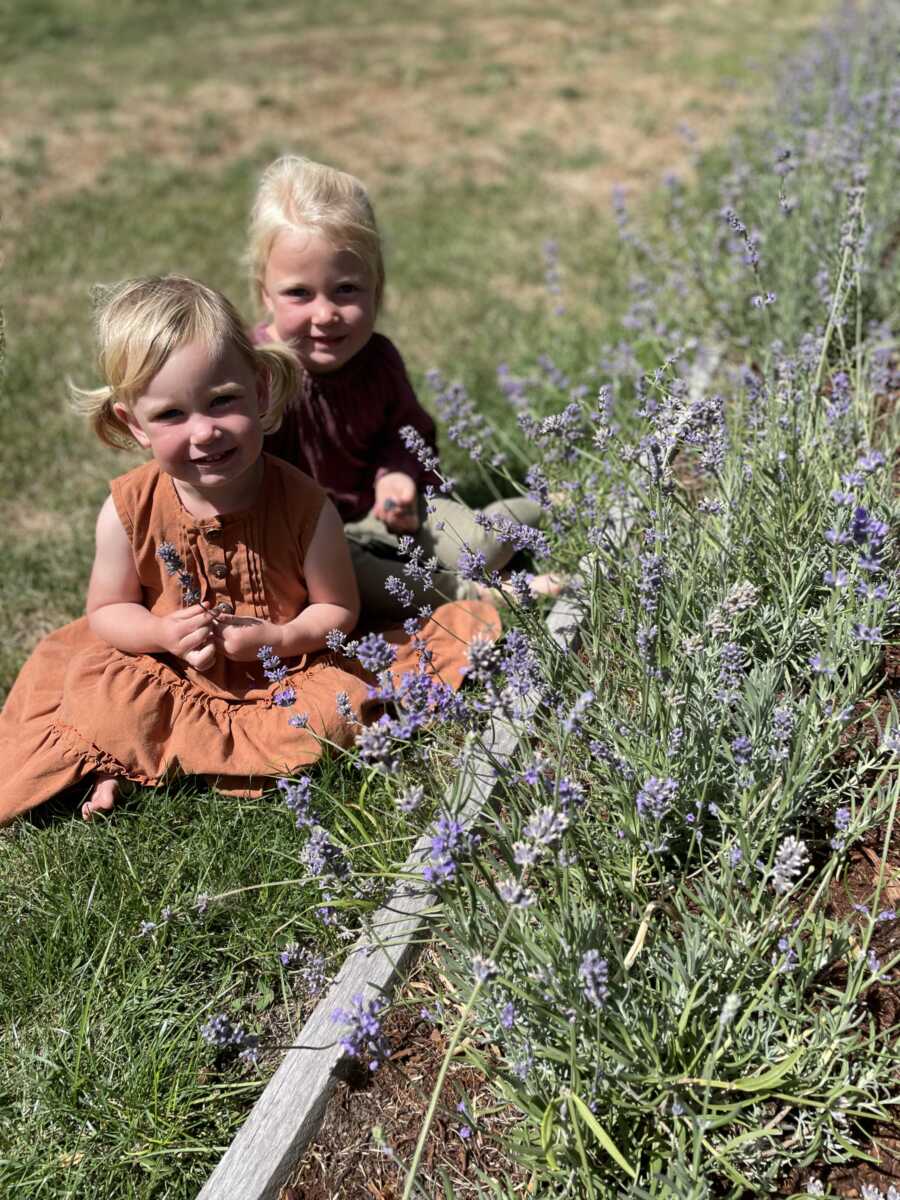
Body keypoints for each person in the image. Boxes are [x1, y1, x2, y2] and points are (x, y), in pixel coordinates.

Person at [0, 275, 498, 825]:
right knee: (101, 693)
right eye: (171, 415)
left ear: (260, 390)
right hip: (168, 669)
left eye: (222, 401)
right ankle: (115, 760)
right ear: (133, 424)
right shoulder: (127, 509)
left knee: (333, 710)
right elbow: (107, 614)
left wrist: (281, 638)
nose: (205, 432)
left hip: (285, 671)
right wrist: (162, 633)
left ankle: (143, 755)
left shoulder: (305, 505)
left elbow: (339, 612)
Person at [247, 155, 560, 620]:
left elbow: (406, 427)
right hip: (314, 541)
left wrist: (397, 474)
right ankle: (477, 596)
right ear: (264, 293)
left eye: (346, 290)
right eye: (300, 293)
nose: (325, 314)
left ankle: (550, 507)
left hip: (396, 510)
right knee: (367, 584)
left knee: (483, 540)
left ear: (378, 290)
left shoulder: (378, 358)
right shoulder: (258, 376)